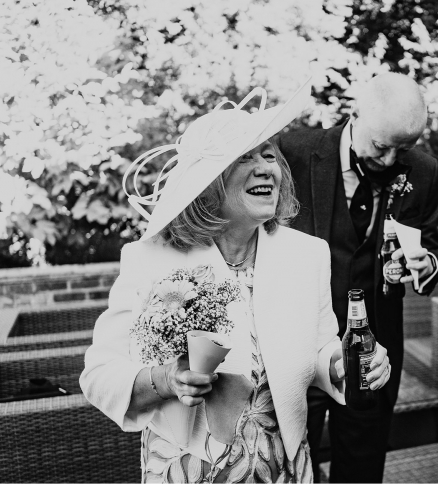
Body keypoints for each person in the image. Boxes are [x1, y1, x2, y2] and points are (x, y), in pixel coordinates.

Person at [80, 79, 392, 483]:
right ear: (208, 183)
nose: (268, 168)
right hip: (189, 469)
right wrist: (166, 380)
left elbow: (320, 347)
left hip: (283, 467)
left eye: (270, 156)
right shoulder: (150, 259)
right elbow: (100, 375)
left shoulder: (307, 254)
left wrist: (341, 364)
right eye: (246, 158)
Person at [276, 73, 438, 482]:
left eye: (403, 149)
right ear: (355, 115)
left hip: (376, 349)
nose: (390, 160)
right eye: (381, 146)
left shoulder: (424, 172)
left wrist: (427, 265)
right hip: (297, 341)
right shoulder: (293, 151)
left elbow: (433, 244)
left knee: (363, 464)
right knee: (290, 461)